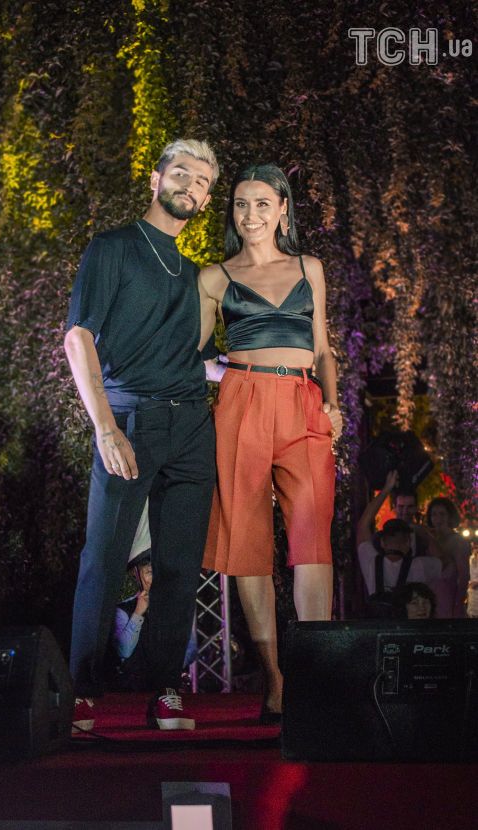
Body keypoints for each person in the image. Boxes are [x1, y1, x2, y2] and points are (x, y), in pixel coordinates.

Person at [65, 138, 219, 732]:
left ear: (206, 199)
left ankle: (165, 690)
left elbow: (196, 360)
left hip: (192, 426)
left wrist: (273, 369)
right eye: (180, 173)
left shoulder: (193, 273)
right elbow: (78, 338)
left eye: (201, 181)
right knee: (103, 559)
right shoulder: (114, 247)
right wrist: (105, 427)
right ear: (156, 179)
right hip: (131, 419)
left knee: (179, 567)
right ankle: (81, 692)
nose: (190, 185)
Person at [198, 163, 342, 721]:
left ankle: (314, 673)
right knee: (248, 545)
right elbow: (193, 354)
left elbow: (323, 348)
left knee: (312, 540)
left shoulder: (310, 267)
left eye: (262, 203)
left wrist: (332, 404)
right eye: (241, 204)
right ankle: (276, 680)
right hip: (243, 406)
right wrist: (231, 375)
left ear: (283, 209)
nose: (250, 214)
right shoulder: (215, 278)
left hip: (305, 402)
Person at [112, 548, 198, 691]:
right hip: (131, 690)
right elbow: (124, 651)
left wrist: (169, 669)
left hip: (166, 687)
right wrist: (138, 613)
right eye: (150, 572)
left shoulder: (178, 607)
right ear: (137, 574)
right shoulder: (123, 610)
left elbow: (191, 648)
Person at [426, 497, 471, 617]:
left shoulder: (458, 541)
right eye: (434, 514)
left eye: (442, 514)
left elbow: (464, 575)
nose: (438, 518)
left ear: (450, 516)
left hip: (449, 597)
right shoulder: (429, 540)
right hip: (430, 597)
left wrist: (458, 603)